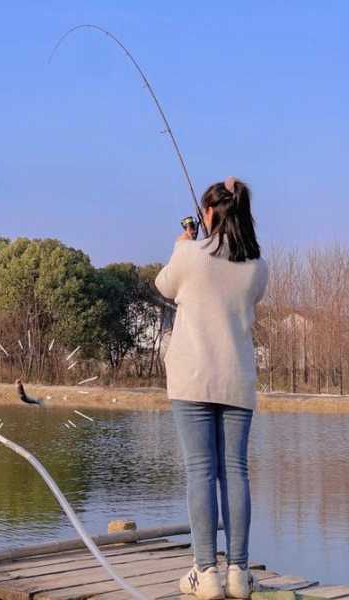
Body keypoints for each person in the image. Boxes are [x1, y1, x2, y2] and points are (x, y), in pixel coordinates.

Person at [155, 177, 268, 600]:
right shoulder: (257, 264)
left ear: (208, 214)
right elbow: (247, 294)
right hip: (236, 379)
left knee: (200, 472)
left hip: (191, 378)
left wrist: (184, 243)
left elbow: (164, 286)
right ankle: (239, 573)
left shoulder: (189, 254)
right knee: (235, 471)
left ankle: (206, 575)